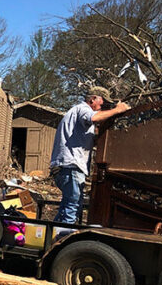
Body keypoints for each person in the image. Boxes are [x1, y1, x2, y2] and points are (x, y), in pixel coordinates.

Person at [50, 87, 130, 224]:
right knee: (72, 207)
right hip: (71, 166)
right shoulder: (83, 109)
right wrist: (118, 110)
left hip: (66, 167)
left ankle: (51, 236)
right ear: (93, 99)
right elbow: (93, 117)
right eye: (102, 103)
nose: (102, 107)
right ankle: (64, 239)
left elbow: (91, 136)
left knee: (67, 206)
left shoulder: (76, 115)